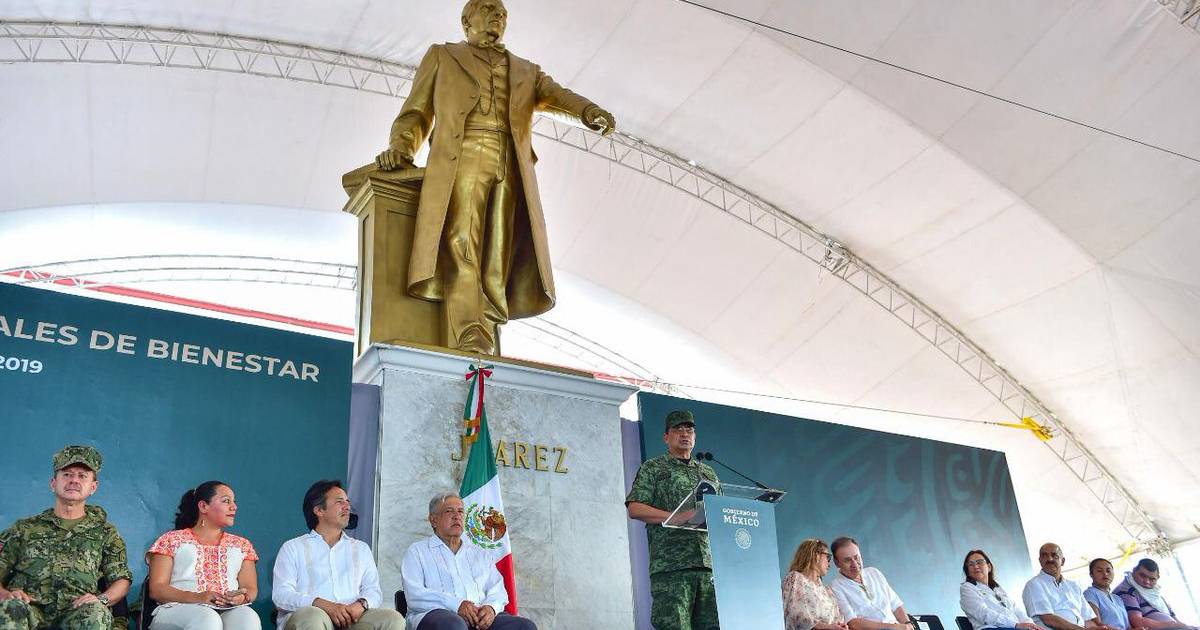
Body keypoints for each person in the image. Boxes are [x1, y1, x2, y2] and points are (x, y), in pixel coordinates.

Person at [374, 0, 616, 355]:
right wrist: (401, 147)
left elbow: (558, 96)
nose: (497, 17)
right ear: (466, 20)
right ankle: (470, 331)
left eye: (502, 13)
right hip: (463, 154)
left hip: (511, 163)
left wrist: (588, 111)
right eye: (488, 9)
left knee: (497, 253)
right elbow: (416, 112)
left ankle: (486, 327)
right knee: (461, 241)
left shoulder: (526, 70)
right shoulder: (443, 56)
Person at [0, 445, 132, 630]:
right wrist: (4, 595)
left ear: (93, 487)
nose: (74, 480)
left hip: (76, 611)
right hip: (28, 610)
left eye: (82, 476)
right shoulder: (23, 529)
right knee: (10, 608)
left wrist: (101, 599)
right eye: (67, 474)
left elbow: (121, 580)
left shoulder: (106, 533)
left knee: (96, 612)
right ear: (53, 483)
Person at [625, 409, 721, 630]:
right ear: (666, 437)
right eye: (678, 429)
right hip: (672, 568)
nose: (685, 434)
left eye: (689, 430)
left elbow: (719, 512)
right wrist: (675, 517)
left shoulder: (708, 473)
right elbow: (635, 508)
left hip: (708, 569)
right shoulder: (653, 468)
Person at [272, 480, 406, 630]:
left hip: (352, 617)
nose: (347, 506)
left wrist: (361, 605)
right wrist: (323, 604)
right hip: (312, 615)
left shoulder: (361, 549)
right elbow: (281, 596)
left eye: (348, 502)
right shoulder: (293, 548)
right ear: (319, 511)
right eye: (339, 501)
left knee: (392, 619)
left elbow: (373, 590)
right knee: (312, 616)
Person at [400, 493, 535, 630]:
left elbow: (498, 590)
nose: (456, 516)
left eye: (460, 511)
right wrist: (456, 605)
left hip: (479, 617)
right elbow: (415, 595)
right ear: (434, 520)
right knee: (454, 625)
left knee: (525, 626)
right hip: (436, 618)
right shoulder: (417, 552)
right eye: (449, 511)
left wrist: (491, 608)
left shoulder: (481, 555)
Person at [146, 481, 260, 630]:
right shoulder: (171, 540)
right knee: (207, 618)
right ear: (203, 506)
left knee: (247, 616)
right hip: (176, 609)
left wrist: (242, 598)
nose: (234, 507)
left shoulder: (241, 546)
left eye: (234, 502)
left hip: (226, 609)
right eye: (226, 501)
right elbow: (157, 589)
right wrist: (198, 597)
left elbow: (250, 588)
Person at [1021, 543, 1115, 630]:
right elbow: (1049, 619)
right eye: (1044, 555)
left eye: (1054, 555)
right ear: (1040, 561)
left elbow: (1087, 619)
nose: (1049, 559)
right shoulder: (1034, 584)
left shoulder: (1074, 586)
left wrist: (1101, 628)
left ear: (1062, 561)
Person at [829, 537, 911, 630]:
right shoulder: (835, 587)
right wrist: (894, 627)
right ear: (837, 563)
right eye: (847, 560)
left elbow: (895, 604)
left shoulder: (874, 572)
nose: (855, 564)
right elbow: (852, 623)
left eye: (856, 557)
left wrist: (908, 624)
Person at [959, 549, 1038, 630]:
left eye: (979, 562)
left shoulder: (997, 588)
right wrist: (1015, 625)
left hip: (1011, 627)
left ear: (989, 567)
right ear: (968, 571)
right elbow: (984, 614)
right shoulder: (967, 588)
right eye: (971, 564)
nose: (976, 566)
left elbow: (1016, 609)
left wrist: (1032, 625)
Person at [782, 538, 849, 630]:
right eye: (828, 557)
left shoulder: (827, 591)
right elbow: (792, 615)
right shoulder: (795, 578)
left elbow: (837, 617)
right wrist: (826, 627)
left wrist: (841, 626)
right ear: (816, 555)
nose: (829, 563)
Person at [1113, 559, 1196, 630]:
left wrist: (1188, 627)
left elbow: (1176, 621)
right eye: (1142, 576)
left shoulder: (1155, 594)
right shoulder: (1126, 591)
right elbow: (1137, 622)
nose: (1147, 582)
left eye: (1152, 579)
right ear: (1134, 570)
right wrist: (1172, 624)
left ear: (1158, 578)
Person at [1083, 559, 1130, 630]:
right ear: (1091, 575)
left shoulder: (1117, 598)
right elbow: (1097, 624)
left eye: (1108, 571)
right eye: (1099, 571)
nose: (1105, 574)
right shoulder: (1089, 593)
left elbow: (1128, 627)